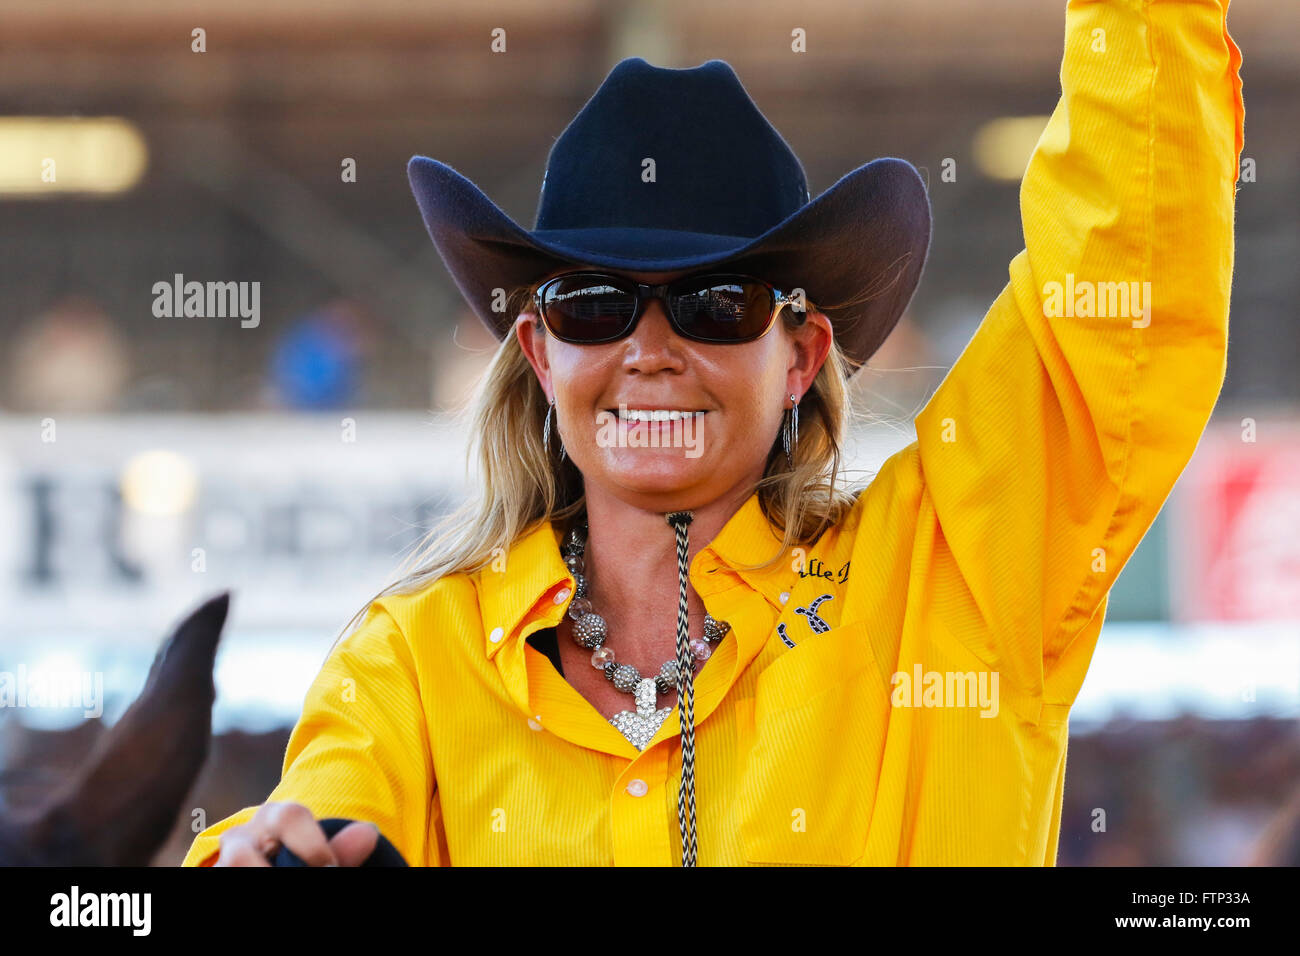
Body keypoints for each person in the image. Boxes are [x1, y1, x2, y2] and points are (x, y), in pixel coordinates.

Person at [184, 0, 1244, 867]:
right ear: (542, 352)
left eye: (716, 303)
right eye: (595, 303)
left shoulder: (950, 580)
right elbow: (313, 819)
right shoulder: (412, 661)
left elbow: (1114, 306)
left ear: (803, 355)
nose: (649, 349)